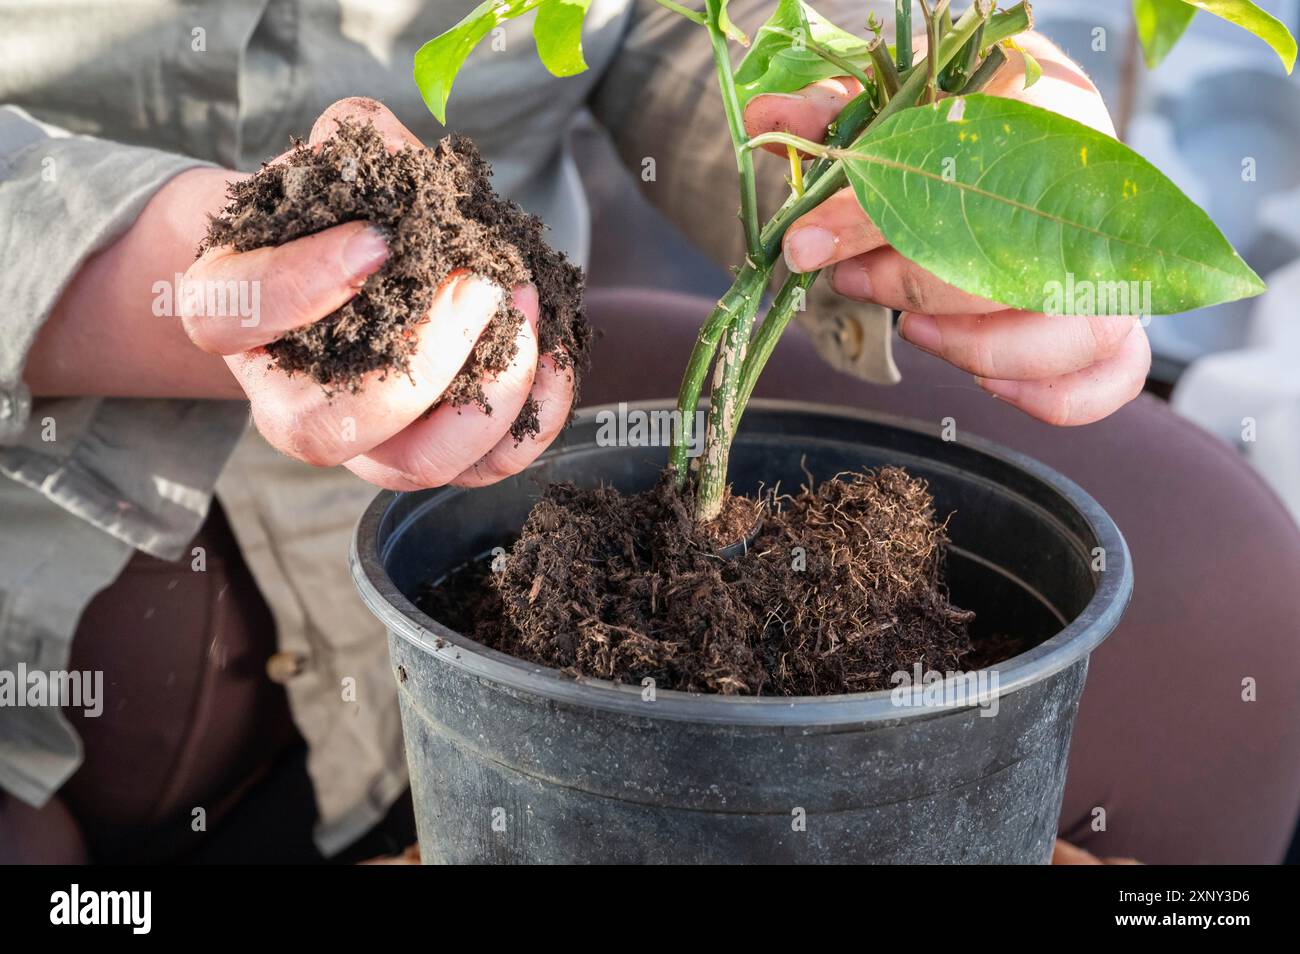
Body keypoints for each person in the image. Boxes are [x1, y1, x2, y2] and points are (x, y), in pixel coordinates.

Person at [1, 1, 1293, 864]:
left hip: (509, 390)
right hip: (49, 495)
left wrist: (931, 132)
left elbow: (684, 25)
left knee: (1230, 601)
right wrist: (156, 279)